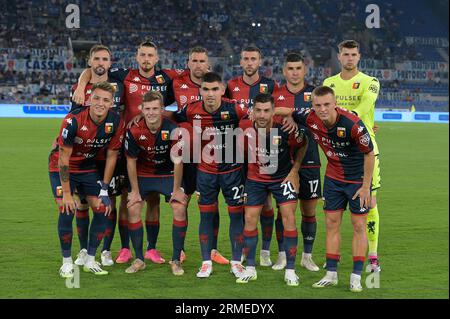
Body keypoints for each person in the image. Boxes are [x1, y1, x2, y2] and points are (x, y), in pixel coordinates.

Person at [73, 40, 183, 265]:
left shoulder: (168, 78)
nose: (146, 59)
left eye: (150, 55)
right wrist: (80, 82)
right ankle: (124, 248)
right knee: (127, 198)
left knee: (152, 200)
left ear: (157, 58)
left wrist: (165, 117)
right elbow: (95, 70)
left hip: (155, 146)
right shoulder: (123, 76)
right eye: (142, 55)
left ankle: (151, 248)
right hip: (127, 144)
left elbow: (194, 76)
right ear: (137, 56)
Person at [277, 85, 375, 292]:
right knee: (331, 224)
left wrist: (367, 187)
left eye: (327, 105)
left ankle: (356, 275)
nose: (322, 109)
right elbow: (287, 110)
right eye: (318, 105)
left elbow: (369, 153)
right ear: (312, 105)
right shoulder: (310, 117)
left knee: (358, 226)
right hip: (333, 179)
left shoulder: (353, 124)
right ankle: (331, 273)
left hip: (357, 181)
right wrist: (264, 112)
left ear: (335, 104)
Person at [171, 72, 249, 279]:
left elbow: (259, 117)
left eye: (215, 89)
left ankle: (236, 262)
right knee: (205, 215)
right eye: (206, 89)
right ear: (200, 91)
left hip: (232, 171)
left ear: (222, 90)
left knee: (235, 215)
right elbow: (171, 117)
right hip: (205, 172)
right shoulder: (191, 109)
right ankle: (206, 263)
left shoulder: (236, 108)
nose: (210, 94)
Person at [236, 93, 307, 286]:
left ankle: (290, 270)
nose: (262, 114)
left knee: (289, 217)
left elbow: (303, 144)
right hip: (255, 179)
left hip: (282, 178)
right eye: (258, 110)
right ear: (253, 110)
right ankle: (250, 268)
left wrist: (294, 171)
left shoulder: (286, 127)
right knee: (250, 218)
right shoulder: (244, 126)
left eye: (266, 110)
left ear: (273, 111)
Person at [323, 40, 382, 272]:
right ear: (339, 56)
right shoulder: (329, 83)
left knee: (370, 202)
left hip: (364, 151)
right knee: (333, 214)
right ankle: (332, 262)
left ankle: (373, 256)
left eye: (353, 54)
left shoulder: (370, 82)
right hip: (338, 153)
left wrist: (349, 118)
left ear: (359, 56)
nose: (349, 58)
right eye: (345, 54)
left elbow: (366, 104)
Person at [56, 81, 124, 277]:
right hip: (61, 166)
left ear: (112, 103)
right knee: (67, 208)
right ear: (89, 99)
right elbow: (63, 158)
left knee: (104, 208)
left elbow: (112, 156)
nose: (100, 103)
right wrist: (67, 194)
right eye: (96, 98)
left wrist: (104, 188)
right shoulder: (73, 120)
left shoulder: (116, 121)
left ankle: (90, 259)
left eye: (105, 100)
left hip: (87, 168)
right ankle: (67, 262)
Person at [172, 46, 229, 265]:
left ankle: (213, 250)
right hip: (187, 157)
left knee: (211, 204)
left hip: (213, 158)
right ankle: (180, 250)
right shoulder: (176, 83)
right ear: (188, 63)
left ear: (208, 65)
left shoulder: (216, 87)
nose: (197, 64)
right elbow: (166, 109)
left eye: (201, 61)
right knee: (180, 203)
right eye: (193, 60)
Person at [124, 91, 188, 276]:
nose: (151, 112)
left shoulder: (174, 129)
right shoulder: (134, 130)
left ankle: (175, 260)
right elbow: (130, 161)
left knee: (179, 207)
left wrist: (176, 190)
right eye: (147, 109)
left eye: (155, 108)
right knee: (134, 207)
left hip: (167, 174)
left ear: (162, 109)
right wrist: (135, 191)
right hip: (143, 175)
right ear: (141, 109)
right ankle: (139, 259)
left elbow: (178, 161)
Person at [270, 52, 322, 272]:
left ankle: (307, 256)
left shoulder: (313, 94)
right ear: (284, 71)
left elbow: (320, 119)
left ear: (305, 70)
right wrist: (288, 115)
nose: (294, 72)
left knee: (309, 211)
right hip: (282, 160)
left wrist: (293, 114)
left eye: (298, 68)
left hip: (310, 159)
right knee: (284, 210)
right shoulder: (276, 94)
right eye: (290, 68)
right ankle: (282, 255)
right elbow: (269, 118)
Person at [226, 46, 277, 267]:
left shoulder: (271, 85)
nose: (249, 62)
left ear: (260, 61)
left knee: (266, 204)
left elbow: (277, 113)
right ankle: (243, 251)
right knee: (241, 207)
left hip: (263, 152)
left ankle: (265, 250)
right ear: (240, 61)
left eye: (253, 59)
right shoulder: (230, 86)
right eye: (245, 58)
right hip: (238, 153)